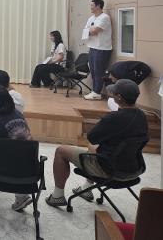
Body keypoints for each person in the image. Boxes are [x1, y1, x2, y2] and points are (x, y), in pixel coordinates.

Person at [45, 79, 148, 208]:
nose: (112, 94)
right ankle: (86, 189)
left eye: (114, 93)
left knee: (61, 151)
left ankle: (57, 196)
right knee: (96, 148)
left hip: (112, 170)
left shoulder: (113, 118)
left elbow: (92, 137)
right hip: (134, 170)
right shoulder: (141, 116)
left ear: (119, 97)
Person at [82, 0, 112, 100]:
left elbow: (95, 31)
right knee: (93, 70)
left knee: (99, 71)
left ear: (98, 6)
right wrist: (90, 30)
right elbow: (85, 30)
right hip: (92, 47)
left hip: (102, 48)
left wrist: (90, 30)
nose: (90, 7)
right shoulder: (91, 18)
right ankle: (94, 91)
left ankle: (97, 92)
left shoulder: (105, 17)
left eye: (92, 5)